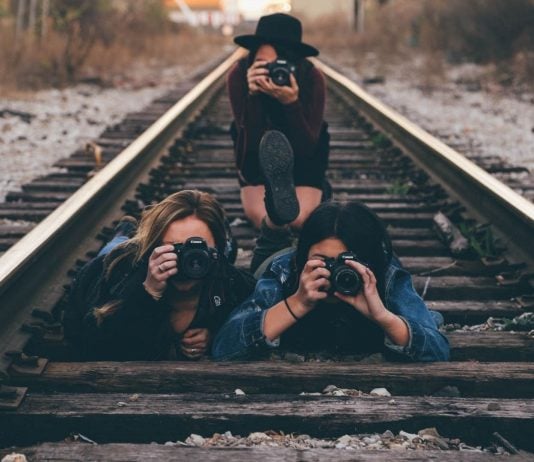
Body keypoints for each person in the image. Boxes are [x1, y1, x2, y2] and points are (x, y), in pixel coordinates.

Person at [212, 200, 450, 362]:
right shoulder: (286, 269)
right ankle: (274, 230)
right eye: (322, 261)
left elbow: (437, 351)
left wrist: (382, 316)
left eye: (348, 263)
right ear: (303, 257)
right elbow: (224, 346)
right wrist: (297, 302)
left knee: (430, 318)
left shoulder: (386, 275)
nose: (337, 272)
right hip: (275, 261)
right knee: (260, 270)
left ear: (369, 261)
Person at [64, 190, 256, 361]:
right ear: (153, 249)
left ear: (218, 251)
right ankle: (124, 232)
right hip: (121, 256)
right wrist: (147, 293)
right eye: (174, 248)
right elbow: (89, 347)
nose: (189, 260)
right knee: (115, 248)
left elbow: (257, 321)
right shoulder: (118, 274)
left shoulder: (227, 279)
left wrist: (216, 334)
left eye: (198, 248)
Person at [228, 13, 330, 230]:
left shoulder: (312, 77)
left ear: (292, 62)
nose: (271, 71)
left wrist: (291, 104)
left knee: (299, 221)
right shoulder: (239, 74)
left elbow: (307, 149)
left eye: (278, 65)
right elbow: (250, 148)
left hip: (304, 160)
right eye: (262, 63)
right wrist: (253, 97)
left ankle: (315, 189)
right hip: (254, 160)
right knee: (268, 223)